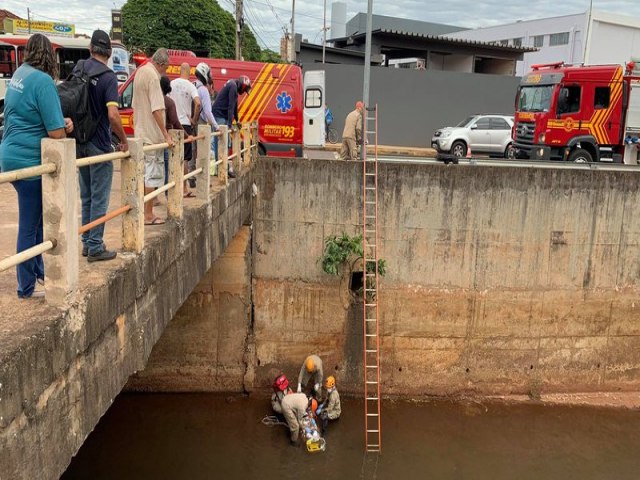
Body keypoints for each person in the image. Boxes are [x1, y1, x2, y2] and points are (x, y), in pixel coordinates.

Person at [0, 34, 73, 298]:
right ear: (49, 56)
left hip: (9, 156)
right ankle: (25, 286)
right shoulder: (43, 82)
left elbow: (29, 115)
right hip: (31, 162)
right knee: (30, 226)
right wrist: (65, 125)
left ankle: (39, 270)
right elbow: (55, 133)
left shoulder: (20, 73)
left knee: (37, 224)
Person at [75, 30, 128, 262]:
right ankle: (95, 245)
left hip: (79, 142)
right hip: (98, 144)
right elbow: (114, 115)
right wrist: (124, 140)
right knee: (99, 197)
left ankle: (87, 242)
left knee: (86, 195)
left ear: (90, 49)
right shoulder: (108, 77)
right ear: (109, 53)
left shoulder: (79, 68)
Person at [132, 48, 174, 226]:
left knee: (143, 174)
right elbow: (157, 108)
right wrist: (166, 135)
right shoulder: (153, 77)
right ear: (161, 64)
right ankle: (148, 214)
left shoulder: (140, 72)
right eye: (166, 68)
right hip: (151, 135)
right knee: (151, 174)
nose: (165, 71)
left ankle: (143, 211)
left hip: (140, 132)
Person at [169, 63, 201, 195]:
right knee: (185, 158)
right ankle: (184, 188)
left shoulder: (172, 84)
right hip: (186, 125)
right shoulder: (190, 86)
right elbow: (198, 103)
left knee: (173, 156)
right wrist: (193, 119)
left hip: (173, 124)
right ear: (189, 72)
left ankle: (172, 188)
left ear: (180, 70)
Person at [212, 76, 251, 179]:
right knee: (222, 143)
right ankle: (220, 169)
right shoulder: (233, 86)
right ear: (243, 86)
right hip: (219, 115)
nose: (244, 92)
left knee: (225, 143)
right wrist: (229, 125)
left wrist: (237, 120)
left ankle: (224, 167)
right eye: (245, 90)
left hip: (222, 115)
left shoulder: (233, 85)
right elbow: (230, 107)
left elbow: (234, 106)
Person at [193, 62, 218, 184]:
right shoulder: (203, 90)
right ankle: (202, 180)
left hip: (190, 121)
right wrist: (216, 126)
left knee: (192, 151)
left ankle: (191, 178)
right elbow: (208, 112)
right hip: (200, 123)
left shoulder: (192, 85)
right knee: (203, 152)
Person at [159, 75, 184, 192]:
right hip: (166, 137)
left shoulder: (153, 100)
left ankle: (153, 197)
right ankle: (168, 193)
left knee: (153, 168)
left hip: (154, 137)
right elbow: (174, 121)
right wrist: (187, 134)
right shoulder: (169, 102)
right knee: (167, 167)